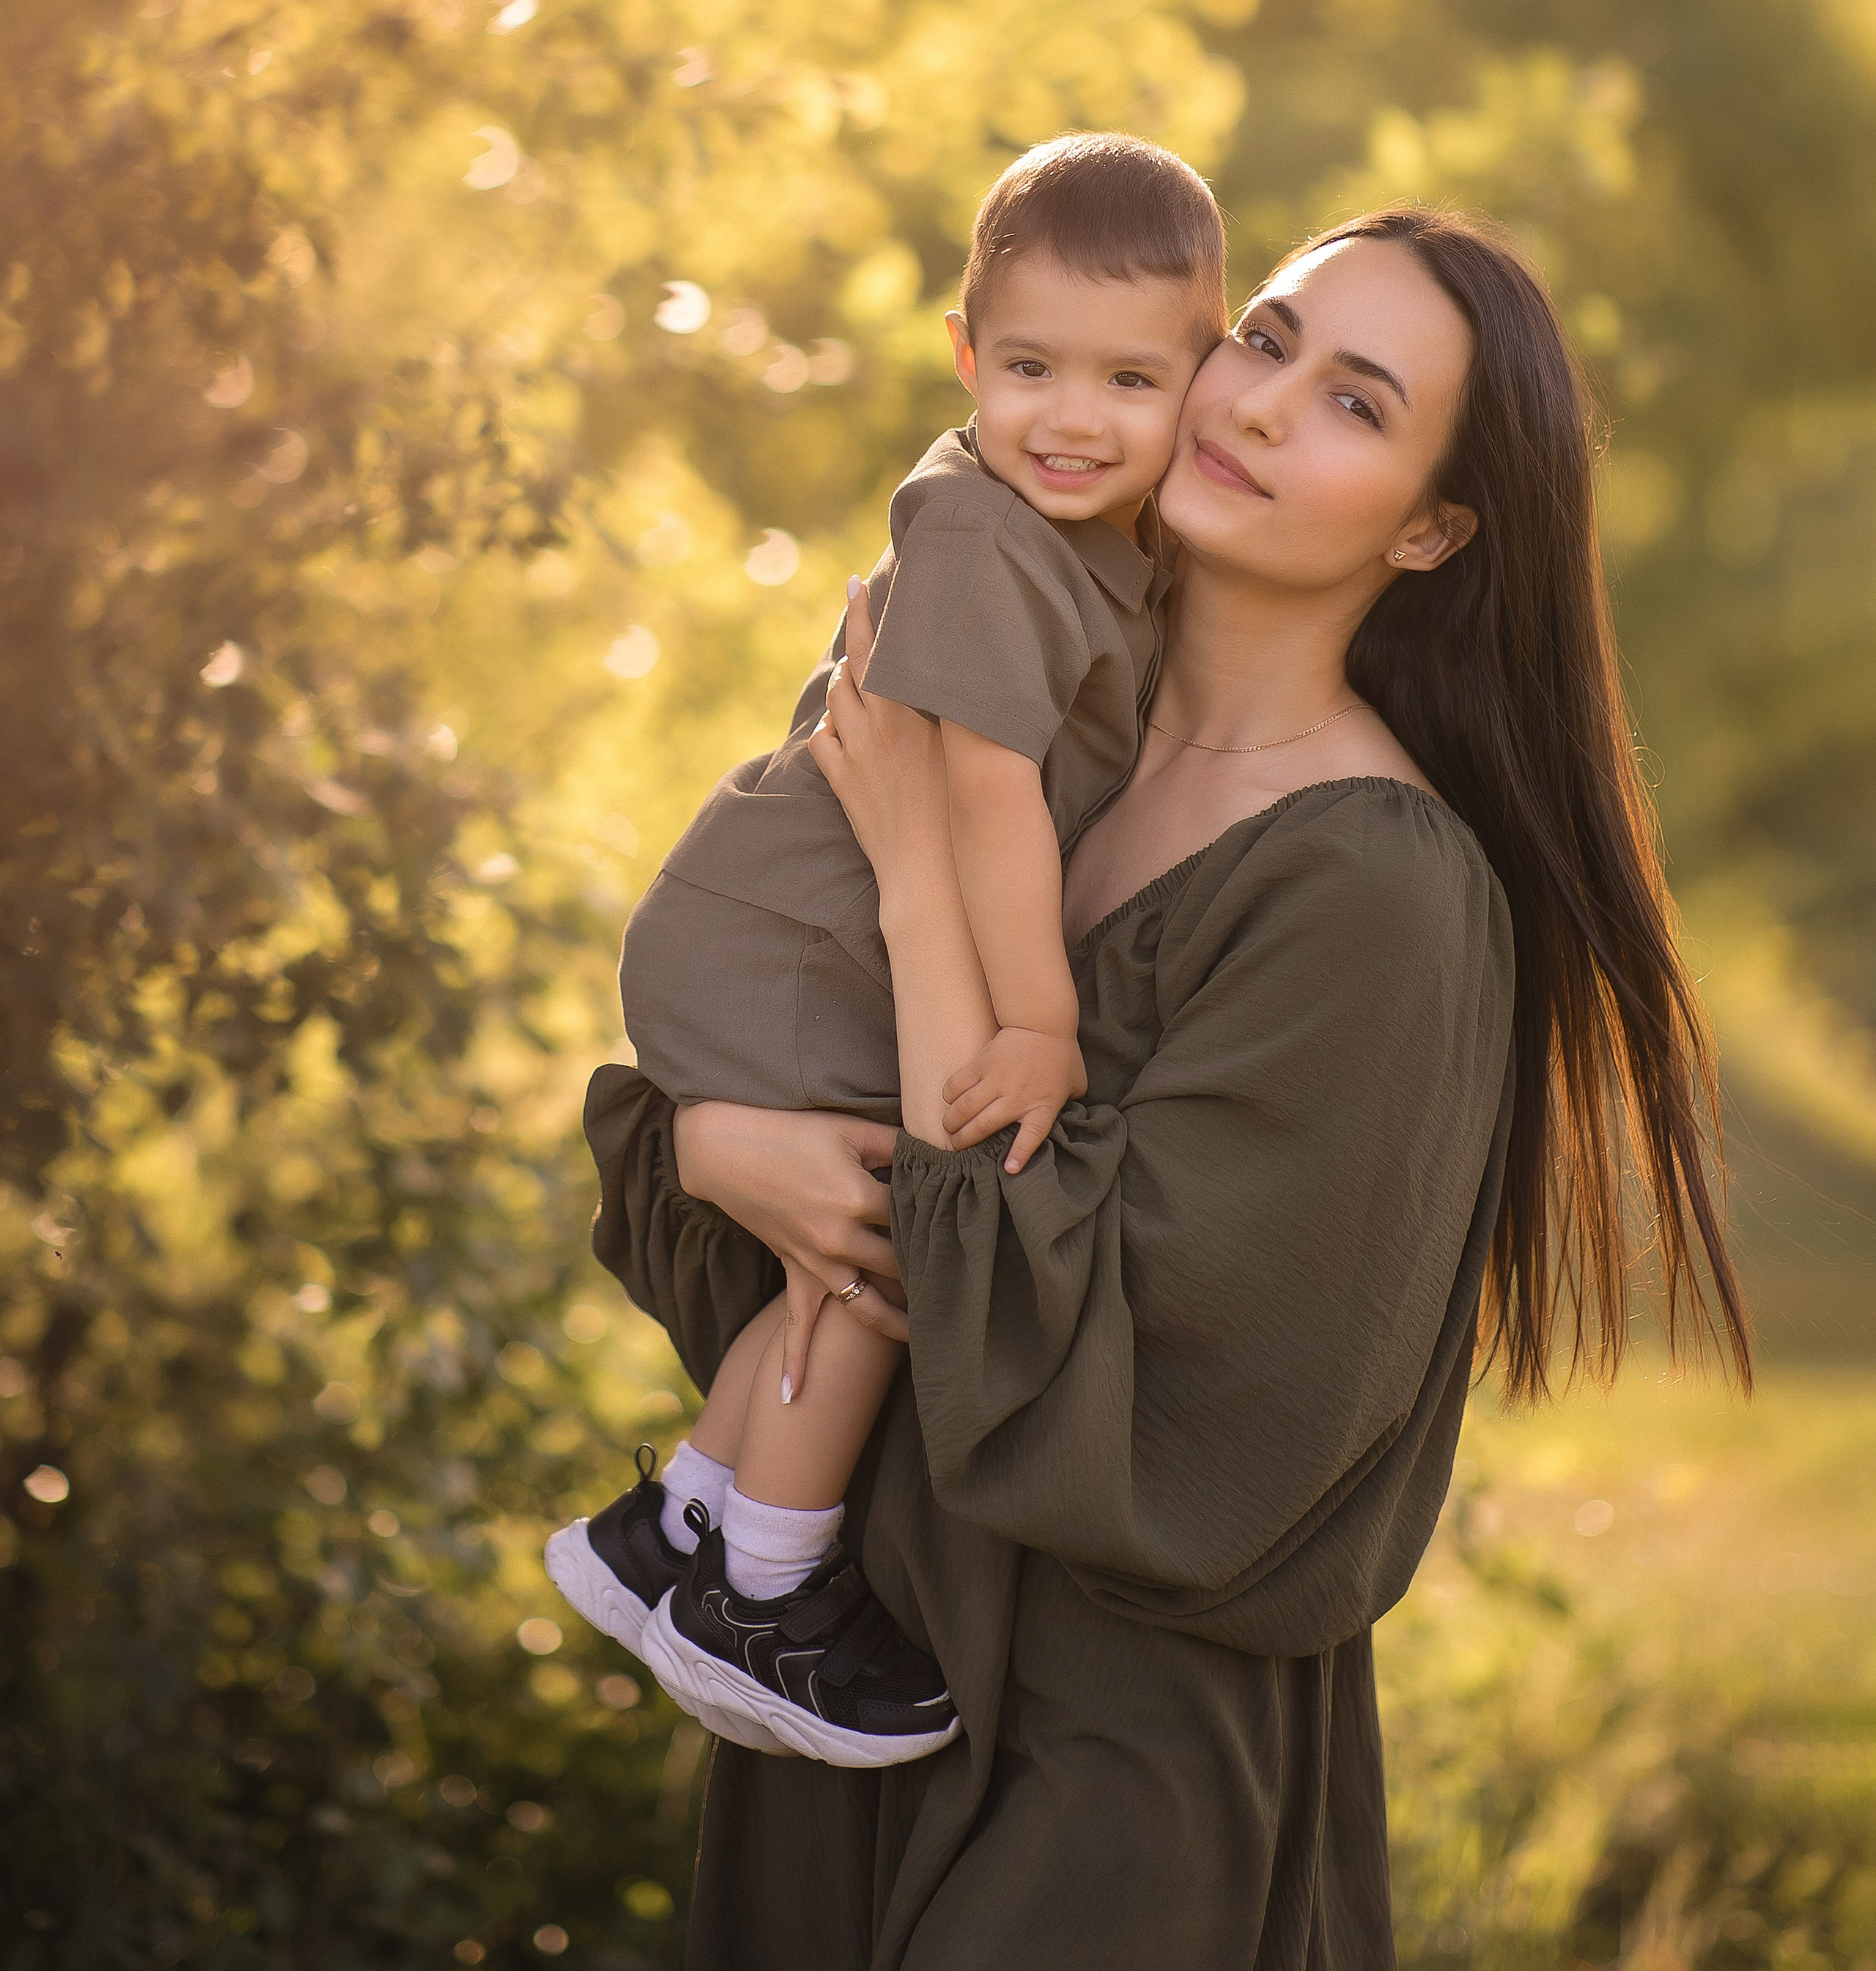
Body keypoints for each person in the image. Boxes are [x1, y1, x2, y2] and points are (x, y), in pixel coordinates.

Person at [584, 203, 1750, 1970]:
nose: (1263, 406)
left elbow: (1144, 1410)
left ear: (1434, 528)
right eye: (1266, 339)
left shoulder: (1375, 888)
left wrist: (913, 887)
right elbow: (801, 1208)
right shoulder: (1019, 742)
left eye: (1356, 405)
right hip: (837, 1704)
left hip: (1107, 1774)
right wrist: (714, 1135)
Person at [547, 134, 1231, 1762]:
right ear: (961, 355)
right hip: (789, 941)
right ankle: (766, 1589)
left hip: (804, 934)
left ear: (1200, 378)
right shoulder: (990, 535)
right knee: (889, 1242)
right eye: (1027, 368)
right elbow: (985, 795)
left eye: (1129, 379)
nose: (1070, 418)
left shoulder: (1096, 543)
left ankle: (683, 1526)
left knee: (845, 1242)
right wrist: (1046, 1028)